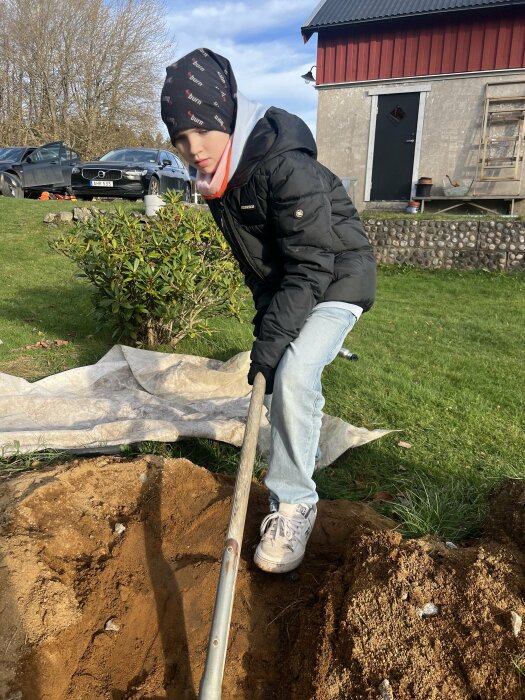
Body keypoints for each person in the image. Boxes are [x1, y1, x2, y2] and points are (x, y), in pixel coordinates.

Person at [161, 48, 376, 574]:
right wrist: (268, 330)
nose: (194, 150)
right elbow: (260, 269)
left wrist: (276, 342)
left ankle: (295, 502)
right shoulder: (221, 183)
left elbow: (310, 265)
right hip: (295, 283)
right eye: (180, 139)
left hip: (338, 277)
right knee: (278, 365)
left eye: (203, 132)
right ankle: (291, 454)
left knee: (297, 372)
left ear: (229, 116)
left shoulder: (284, 165)